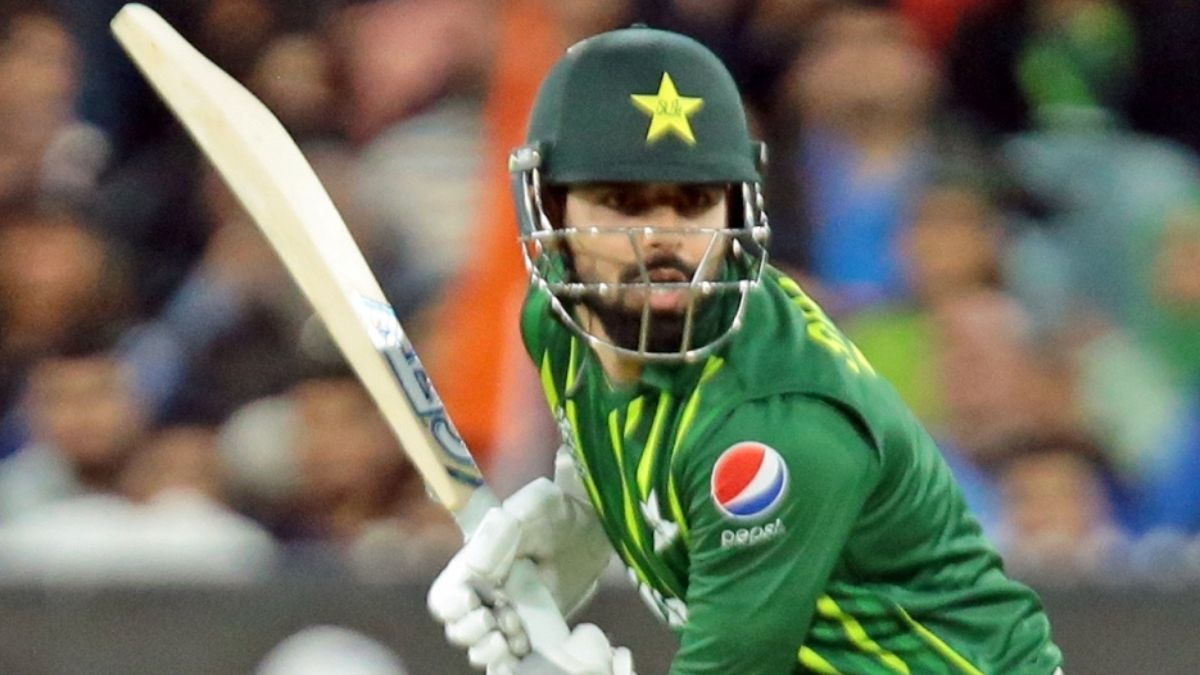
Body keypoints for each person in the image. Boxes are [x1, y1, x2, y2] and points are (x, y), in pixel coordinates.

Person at [428, 26, 1064, 674]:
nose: (663, 239)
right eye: (623, 202)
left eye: (694, 202)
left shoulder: (771, 431)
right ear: (551, 208)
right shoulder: (558, 326)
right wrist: (586, 514)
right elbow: (646, 434)